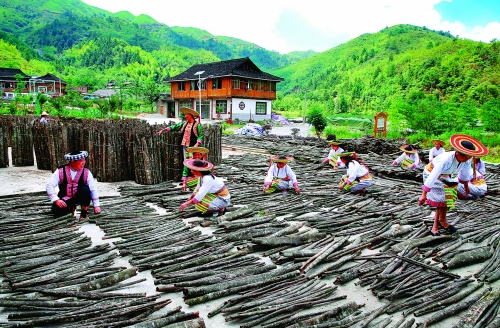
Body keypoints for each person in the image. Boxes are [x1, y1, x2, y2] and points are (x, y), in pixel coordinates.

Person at [418, 134, 488, 236]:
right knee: (441, 199)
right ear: (459, 154)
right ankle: (435, 227)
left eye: (470, 156)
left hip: (445, 175)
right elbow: (433, 175)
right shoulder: (446, 159)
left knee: (448, 197)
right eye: (466, 156)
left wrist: (466, 187)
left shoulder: (467, 160)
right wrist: (424, 194)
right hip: (431, 173)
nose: (468, 159)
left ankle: (442, 220)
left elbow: (464, 175)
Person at [46, 151, 101, 220]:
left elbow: (93, 188)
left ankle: (84, 213)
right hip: (66, 197)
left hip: (80, 196)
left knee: (86, 190)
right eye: (81, 160)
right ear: (72, 162)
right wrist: (56, 200)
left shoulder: (86, 172)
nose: (83, 162)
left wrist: (96, 205)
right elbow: (49, 185)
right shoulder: (60, 171)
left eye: (84, 160)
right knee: (56, 210)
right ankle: (70, 208)